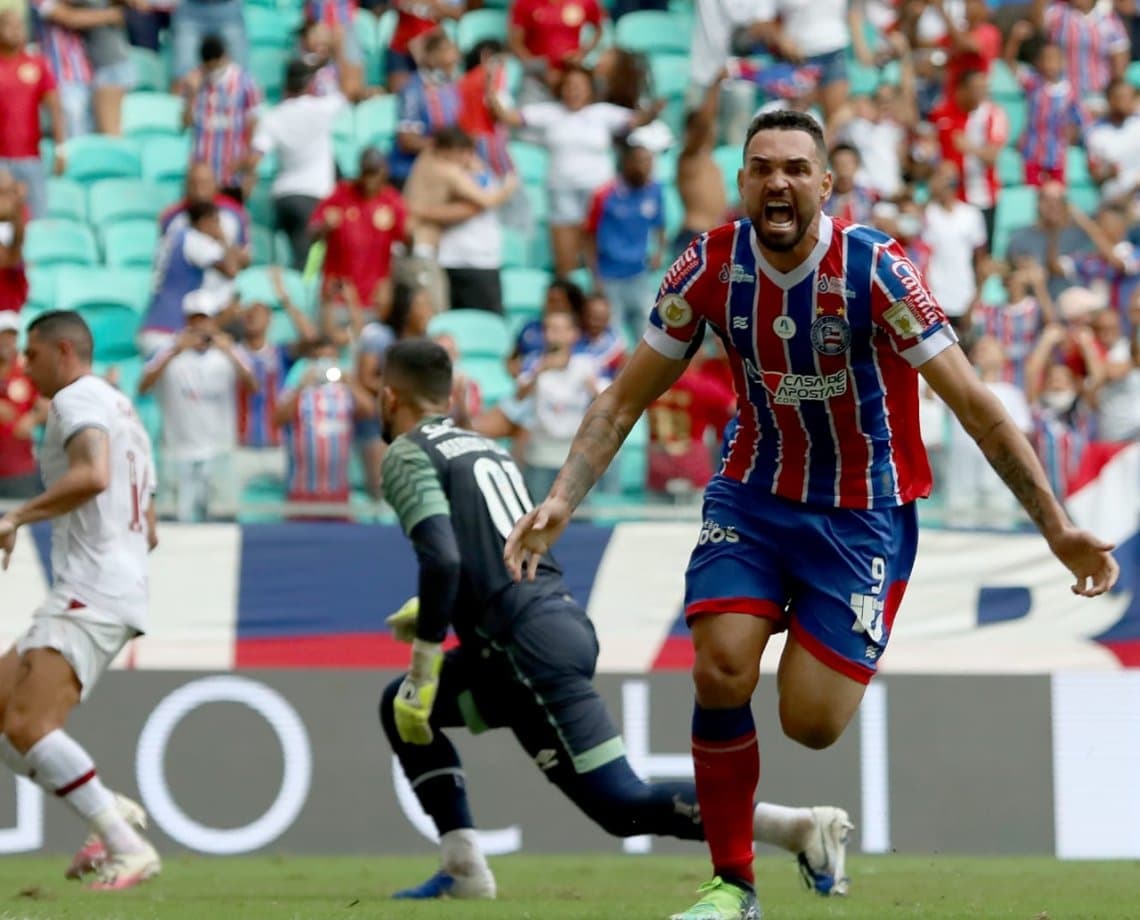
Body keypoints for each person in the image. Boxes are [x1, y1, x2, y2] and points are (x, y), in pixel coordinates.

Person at [504, 110, 1120, 920]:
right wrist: (560, 498)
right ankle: (732, 884)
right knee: (721, 664)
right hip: (754, 495)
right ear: (744, 183)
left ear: (828, 185)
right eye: (762, 167)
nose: (779, 181)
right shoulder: (709, 268)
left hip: (862, 514)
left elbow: (975, 403)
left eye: (797, 167)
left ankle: (800, 646)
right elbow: (624, 399)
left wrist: (1056, 526)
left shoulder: (878, 272)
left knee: (812, 723)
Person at [374, 338, 853, 903]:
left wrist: (424, 663)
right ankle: (462, 868)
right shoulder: (483, 447)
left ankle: (796, 828)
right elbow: (487, 555)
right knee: (402, 706)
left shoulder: (407, 453)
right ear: (449, 394)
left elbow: (444, 558)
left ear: (388, 396)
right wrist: (435, 610)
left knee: (620, 803)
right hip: (548, 625)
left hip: (521, 645)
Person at [0, 311, 161, 890]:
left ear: (63, 351)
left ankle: (124, 844)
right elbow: (152, 526)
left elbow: (92, 475)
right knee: (2, 711)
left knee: (27, 722)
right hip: (109, 585)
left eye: (32, 355)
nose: (24, 366)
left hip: (91, 589)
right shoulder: (126, 412)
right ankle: (108, 810)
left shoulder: (76, 400)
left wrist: (17, 513)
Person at [250, 59, 347, 269]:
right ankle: (302, 296)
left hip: (283, 197)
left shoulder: (273, 116)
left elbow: (255, 156)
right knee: (310, 261)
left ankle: (292, 289)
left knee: (298, 255)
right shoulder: (322, 108)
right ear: (310, 84)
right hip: (314, 198)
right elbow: (346, 93)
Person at [0, 10, 66, 218]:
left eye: (19, 26)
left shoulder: (37, 64)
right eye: (9, 25)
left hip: (31, 159)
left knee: (38, 218)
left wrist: (61, 148)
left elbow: (54, 108)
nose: (16, 31)